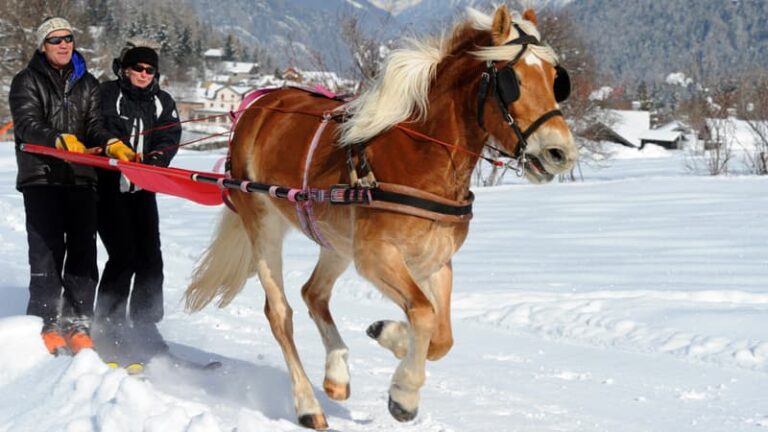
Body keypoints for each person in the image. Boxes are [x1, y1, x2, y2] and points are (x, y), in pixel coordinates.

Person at [8, 17, 134, 356]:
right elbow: (27, 123)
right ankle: (46, 321)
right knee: (47, 252)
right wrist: (57, 139)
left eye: (68, 38)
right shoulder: (27, 80)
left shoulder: (88, 83)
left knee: (83, 253)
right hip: (42, 178)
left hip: (81, 179)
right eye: (55, 40)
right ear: (42, 46)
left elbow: (94, 125)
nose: (64, 45)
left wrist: (110, 143)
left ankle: (79, 322)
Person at [94, 44, 181, 361]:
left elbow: (170, 136)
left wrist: (158, 158)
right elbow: (95, 125)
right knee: (124, 255)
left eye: (150, 70)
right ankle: (108, 325)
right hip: (106, 188)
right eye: (138, 68)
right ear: (125, 69)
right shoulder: (107, 94)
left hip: (143, 189)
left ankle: (145, 324)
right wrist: (111, 144)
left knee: (150, 258)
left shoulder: (163, 102)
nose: (144, 74)